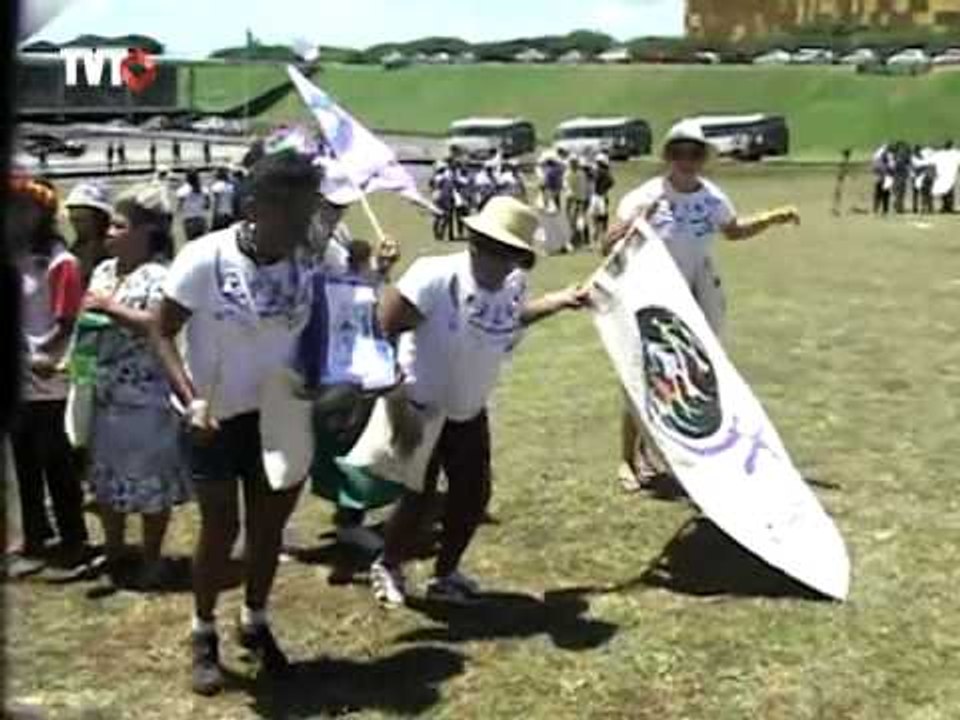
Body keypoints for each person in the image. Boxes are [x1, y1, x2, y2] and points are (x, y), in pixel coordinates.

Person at [154, 144, 320, 696]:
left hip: (279, 417)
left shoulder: (310, 260)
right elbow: (161, 328)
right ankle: (202, 632)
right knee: (221, 528)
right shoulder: (206, 257)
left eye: (306, 214)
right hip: (214, 417)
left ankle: (255, 620)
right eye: (289, 214)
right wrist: (191, 397)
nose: (299, 227)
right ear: (254, 205)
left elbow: (325, 324)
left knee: (269, 529)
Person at [369, 196, 588, 608]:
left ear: (518, 256)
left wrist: (558, 302)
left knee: (472, 495)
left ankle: (446, 574)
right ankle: (388, 564)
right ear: (472, 239)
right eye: (484, 243)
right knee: (417, 498)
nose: (490, 255)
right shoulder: (434, 276)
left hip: (469, 408)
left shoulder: (513, 286)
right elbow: (382, 331)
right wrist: (397, 397)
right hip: (422, 406)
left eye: (505, 250)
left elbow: (511, 318)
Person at [606, 120, 800, 492]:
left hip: (696, 294)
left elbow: (734, 229)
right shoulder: (645, 196)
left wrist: (774, 217)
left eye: (694, 153)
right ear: (668, 156)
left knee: (683, 377)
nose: (686, 160)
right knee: (642, 375)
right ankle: (627, 459)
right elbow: (607, 246)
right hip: (651, 295)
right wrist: (627, 228)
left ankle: (654, 449)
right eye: (679, 152)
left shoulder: (711, 197)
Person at [82, 184, 189, 589]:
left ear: (146, 233)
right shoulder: (104, 271)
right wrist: (80, 373)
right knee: (107, 482)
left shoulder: (161, 276)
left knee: (149, 488)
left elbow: (158, 326)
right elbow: (89, 327)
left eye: (119, 225)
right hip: (106, 393)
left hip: (146, 399)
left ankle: (151, 558)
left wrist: (109, 308)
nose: (108, 231)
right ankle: (112, 551)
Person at [8, 174, 89, 574]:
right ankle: (35, 534)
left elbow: (67, 322)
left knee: (55, 462)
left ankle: (74, 538)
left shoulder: (61, 263)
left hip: (49, 376)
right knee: (23, 460)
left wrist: (46, 355)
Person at [64, 181, 113, 284]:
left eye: (82, 219)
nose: (76, 224)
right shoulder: (72, 252)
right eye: (73, 219)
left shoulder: (116, 250)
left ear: (100, 218)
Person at [176, 169, 211, 241]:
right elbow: (207, 206)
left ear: (187, 178)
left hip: (189, 221)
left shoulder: (182, 191)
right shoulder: (204, 189)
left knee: (191, 245)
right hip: (201, 219)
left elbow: (180, 207)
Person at [590, 153, 615, 244]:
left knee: (594, 220)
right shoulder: (606, 172)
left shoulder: (594, 171)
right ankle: (604, 240)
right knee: (603, 220)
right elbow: (612, 182)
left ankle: (594, 241)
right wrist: (605, 189)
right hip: (602, 197)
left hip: (594, 197)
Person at [871, 142, 894, 216]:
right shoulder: (884, 161)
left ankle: (880, 210)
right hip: (883, 179)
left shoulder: (881, 160)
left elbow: (875, 169)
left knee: (882, 195)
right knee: (882, 195)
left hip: (883, 179)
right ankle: (880, 210)